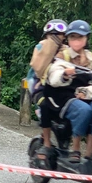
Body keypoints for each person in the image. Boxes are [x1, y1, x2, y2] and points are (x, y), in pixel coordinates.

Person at [44, 20, 92, 172]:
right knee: (84, 110)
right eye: (73, 37)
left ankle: (90, 153)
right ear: (68, 39)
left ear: (86, 39)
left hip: (86, 96)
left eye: (80, 37)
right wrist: (65, 73)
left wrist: (87, 92)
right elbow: (54, 76)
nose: (76, 41)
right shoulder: (62, 55)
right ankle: (75, 148)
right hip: (63, 96)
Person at [29, 19, 68, 163]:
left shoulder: (66, 51)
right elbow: (38, 69)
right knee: (45, 105)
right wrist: (51, 47)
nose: (57, 36)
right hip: (41, 88)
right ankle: (46, 142)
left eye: (60, 34)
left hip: (61, 90)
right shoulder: (41, 47)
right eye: (53, 34)